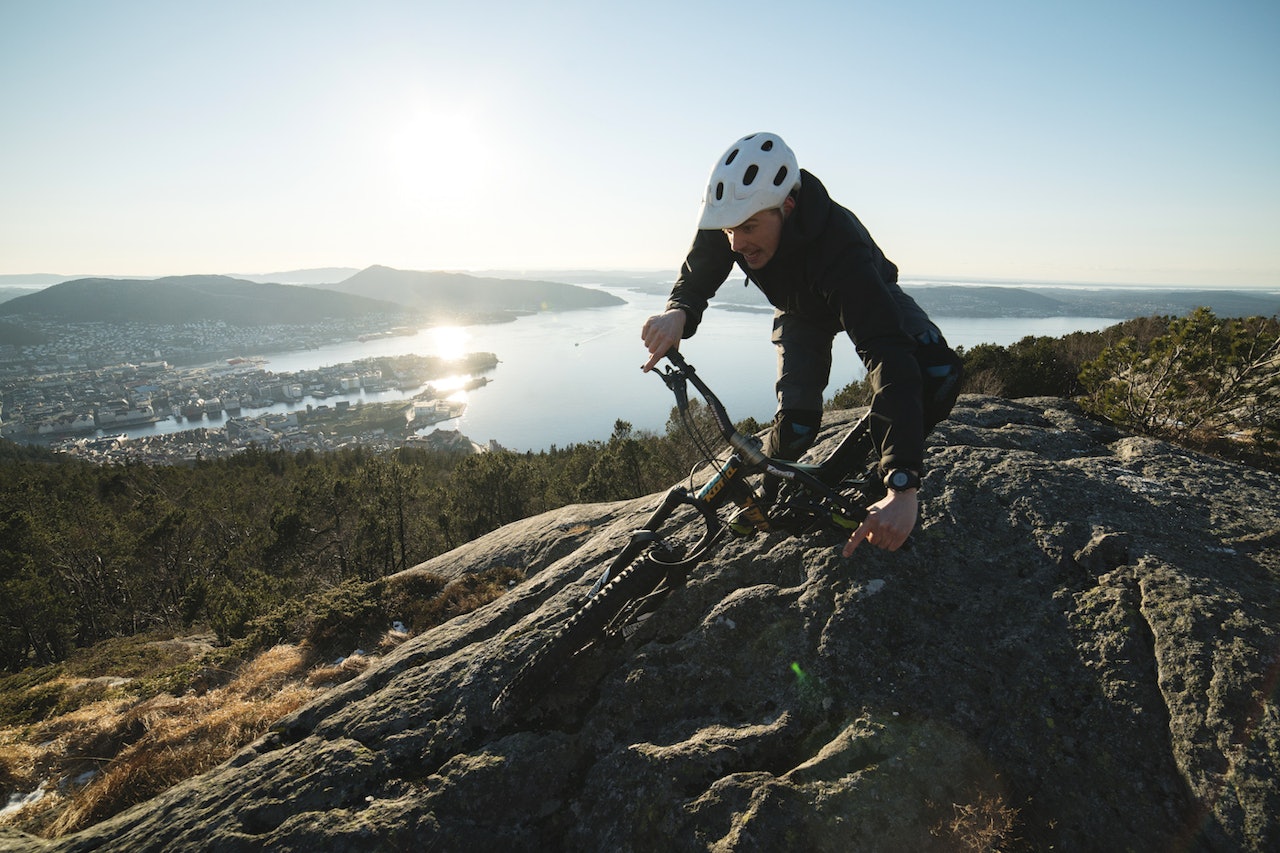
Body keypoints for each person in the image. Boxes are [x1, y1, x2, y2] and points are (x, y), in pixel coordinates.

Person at [641, 132, 962, 556]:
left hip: (866, 293)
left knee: (938, 373)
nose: (736, 244)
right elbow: (701, 266)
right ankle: (770, 498)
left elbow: (886, 351)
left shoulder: (838, 248)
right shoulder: (739, 217)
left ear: (787, 207)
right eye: (730, 229)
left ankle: (876, 484)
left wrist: (902, 484)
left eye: (749, 228)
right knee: (795, 425)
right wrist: (678, 311)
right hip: (798, 310)